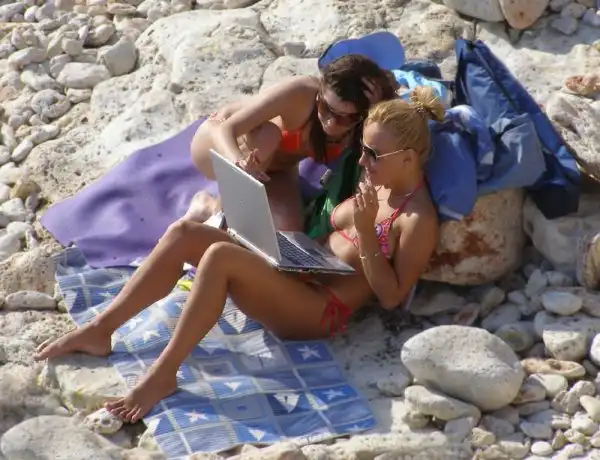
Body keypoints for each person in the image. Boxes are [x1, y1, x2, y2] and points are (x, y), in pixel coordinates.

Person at [34, 87, 443, 423]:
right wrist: (283, 249)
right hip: (300, 272)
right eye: (363, 149)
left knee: (219, 258)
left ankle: (163, 374)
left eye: (373, 154)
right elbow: (329, 235)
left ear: (408, 158)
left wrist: (367, 234)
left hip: (320, 309)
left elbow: (392, 298)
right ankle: (101, 330)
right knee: (183, 234)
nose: (362, 160)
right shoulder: (377, 180)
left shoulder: (417, 219)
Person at [184, 54, 398, 230]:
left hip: (275, 170)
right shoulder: (300, 93)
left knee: (288, 231)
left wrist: (376, 108)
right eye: (325, 108)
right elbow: (226, 129)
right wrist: (239, 164)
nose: (331, 122)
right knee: (269, 135)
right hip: (218, 145)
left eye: (345, 118)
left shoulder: (365, 123)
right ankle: (219, 211)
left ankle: (206, 206)